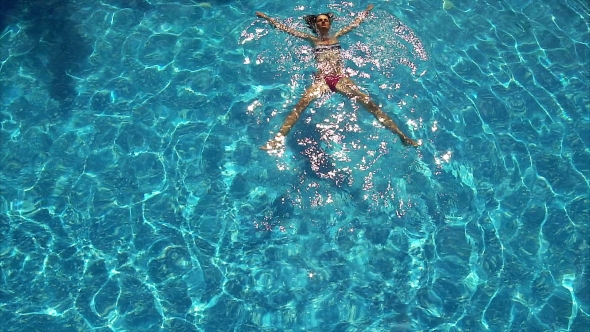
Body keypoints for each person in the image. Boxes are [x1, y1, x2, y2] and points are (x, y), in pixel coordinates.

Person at [255, 5, 419, 150]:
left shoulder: (337, 36)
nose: (324, 22)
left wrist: (366, 12)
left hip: (341, 79)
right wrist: (268, 18)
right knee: (299, 107)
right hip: (321, 81)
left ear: (330, 23)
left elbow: (355, 24)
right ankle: (277, 141)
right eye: (320, 20)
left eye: (326, 20)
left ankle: (402, 136)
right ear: (316, 25)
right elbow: (287, 30)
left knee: (371, 105)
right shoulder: (312, 40)